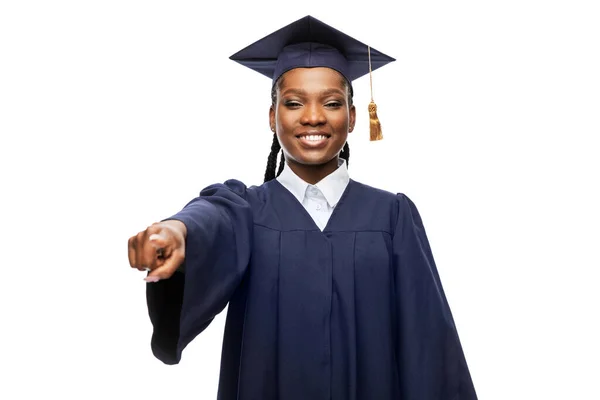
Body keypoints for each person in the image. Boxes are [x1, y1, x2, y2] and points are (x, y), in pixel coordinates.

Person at [127, 15, 478, 400]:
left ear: (353, 117)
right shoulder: (245, 210)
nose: (313, 116)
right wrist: (180, 232)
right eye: (293, 103)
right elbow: (211, 217)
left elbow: (427, 345)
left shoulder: (392, 217)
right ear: (272, 116)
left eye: (331, 102)